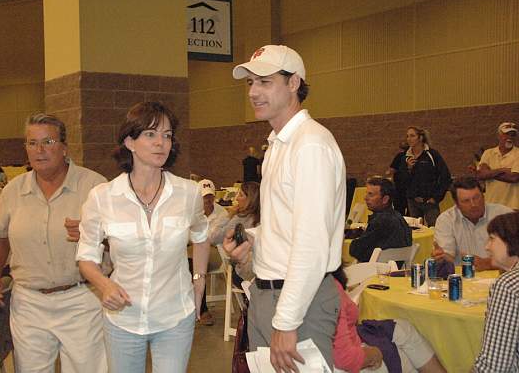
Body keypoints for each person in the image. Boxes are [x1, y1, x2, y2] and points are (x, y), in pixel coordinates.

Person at [226, 44, 346, 372]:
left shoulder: (310, 145)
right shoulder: (278, 145)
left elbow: (312, 243)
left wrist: (287, 322)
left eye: (264, 82)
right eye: (250, 82)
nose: (253, 92)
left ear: (293, 83)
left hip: (297, 303)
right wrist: (256, 239)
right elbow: (288, 223)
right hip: (269, 294)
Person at [76, 101, 209, 373]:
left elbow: (201, 234)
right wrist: (104, 285)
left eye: (167, 135)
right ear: (130, 141)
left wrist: (199, 282)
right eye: (150, 134)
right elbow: (86, 257)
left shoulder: (188, 193)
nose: (161, 143)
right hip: (123, 318)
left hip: (174, 315)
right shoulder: (103, 197)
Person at [0, 113, 107, 373]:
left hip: (82, 300)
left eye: (48, 141)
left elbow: (122, 242)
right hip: (29, 303)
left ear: (64, 147)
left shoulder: (95, 187)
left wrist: (95, 236)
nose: (39, 150)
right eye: (32, 143)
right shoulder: (13, 191)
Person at [331, 266, 446, 373]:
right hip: (346, 362)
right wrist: (375, 354)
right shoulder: (329, 291)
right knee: (404, 356)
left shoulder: (324, 284)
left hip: (352, 339)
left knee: (403, 328)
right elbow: (345, 358)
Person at [432, 176, 512, 270]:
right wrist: (441, 257)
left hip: (501, 276)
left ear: (483, 196)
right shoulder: (446, 220)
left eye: (476, 198)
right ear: (456, 204)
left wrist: (488, 263)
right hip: (465, 279)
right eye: (466, 201)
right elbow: (447, 257)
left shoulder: (504, 215)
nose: (473, 204)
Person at [473, 211, 519, 372]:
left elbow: (494, 366)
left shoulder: (508, 286)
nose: (487, 247)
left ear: (511, 241)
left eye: (492, 238)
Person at [349, 177, 412, 263]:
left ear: (385, 199)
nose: (365, 198)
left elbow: (355, 250)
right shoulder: (399, 217)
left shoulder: (380, 221)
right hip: (395, 271)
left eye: (370, 194)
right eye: (366, 194)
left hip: (375, 272)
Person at [195, 178, 228, 326]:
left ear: (214, 196)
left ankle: (201, 310)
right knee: (184, 264)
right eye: (204, 196)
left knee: (196, 265)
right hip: (196, 248)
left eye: (210, 196)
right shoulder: (193, 212)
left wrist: (197, 236)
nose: (207, 200)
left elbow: (213, 238)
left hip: (216, 252)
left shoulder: (223, 213)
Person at [404, 126, 451, 226]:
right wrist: (408, 169)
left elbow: (445, 176)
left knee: (435, 229)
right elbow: (401, 180)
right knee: (415, 230)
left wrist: (436, 197)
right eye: (407, 136)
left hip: (430, 201)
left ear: (420, 138)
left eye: (412, 136)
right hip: (413, 202)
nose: (409, 139)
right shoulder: (406, 157)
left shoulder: (432, 154)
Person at [474, 122, 519, 210]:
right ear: (499, 136)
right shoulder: (488, 153)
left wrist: (489, 173)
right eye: (506, 134)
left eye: (512, 135)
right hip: (491, 205)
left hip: (513, 206)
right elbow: (481, 175)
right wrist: (503, 170)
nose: (509, 137)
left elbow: (514, 177)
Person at [386, 142, 410, 215]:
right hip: (410, 189)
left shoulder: (400, 156)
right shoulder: (414, 156)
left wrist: (389, 172)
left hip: (400, 188)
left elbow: (391, 170)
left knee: (399, 211)